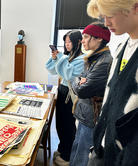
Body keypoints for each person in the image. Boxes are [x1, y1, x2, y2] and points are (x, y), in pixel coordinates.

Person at [86, 0, 138, 166]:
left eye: (110, 15)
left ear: (135, 8)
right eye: (103, 17)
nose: (106, 23)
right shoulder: (122, 47)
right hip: (103, 146)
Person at [69, 22, 112, 166]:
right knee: (76, 149)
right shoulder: (92, 58)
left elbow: (82, 90)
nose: (82, 40)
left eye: (86, 37)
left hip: (91, 116)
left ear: (98, 38)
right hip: (84, 113)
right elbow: (77, 78)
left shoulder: (104, 61)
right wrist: (79, 80)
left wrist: (78, 81)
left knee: (82, 155)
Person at [46, 30, 85, 166]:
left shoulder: (82, 59)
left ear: (78, 42)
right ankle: (63, 149)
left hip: (70, 94)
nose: (67, 44)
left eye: (69, 42)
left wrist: (60, 57)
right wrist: (55, 58)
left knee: (68, 126)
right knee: (60, 124)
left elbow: (68, 74)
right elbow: (52, 70)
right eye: (65, 42)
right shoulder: (69, 57)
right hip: (62, 91)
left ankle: (68, 156)